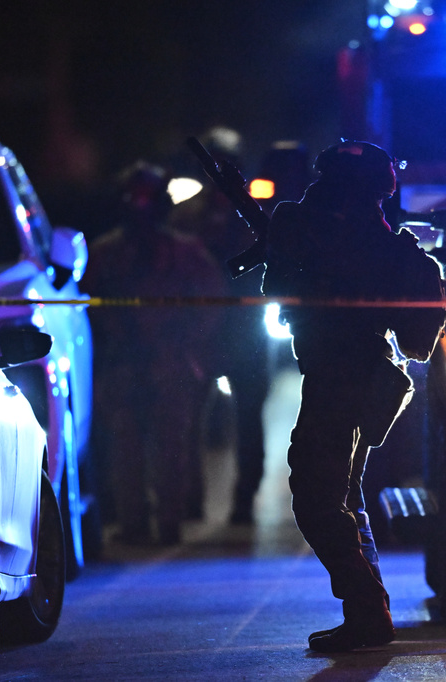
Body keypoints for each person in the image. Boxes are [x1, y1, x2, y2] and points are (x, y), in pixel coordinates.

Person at [262, 140, 446, 652]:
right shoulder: (392, 253)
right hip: (360, 381)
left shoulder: (363, 247)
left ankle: (366, 607)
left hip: (344, 380)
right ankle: (372, 612)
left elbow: (418, 342)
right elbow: (418, 343)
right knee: (344, 497)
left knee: (316, 498)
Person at [81, 161, 225, 545]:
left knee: (171, 448)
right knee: (126, 449)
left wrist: (184, 342)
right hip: (125, 361)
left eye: (147, 199)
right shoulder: (104, 254)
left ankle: (169, 522)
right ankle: (134, 524)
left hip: (171, 360)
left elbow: (213, 301)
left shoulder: (184, 252)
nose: (140, 208)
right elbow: (84, 308)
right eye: (134, 199)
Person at [169, 127, 271, 525]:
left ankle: (244, 499)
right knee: (188, 418)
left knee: (249, 418)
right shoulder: (188, 214)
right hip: (201, 330)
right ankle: (190, 499)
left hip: (245, 328)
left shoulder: (256, 211)